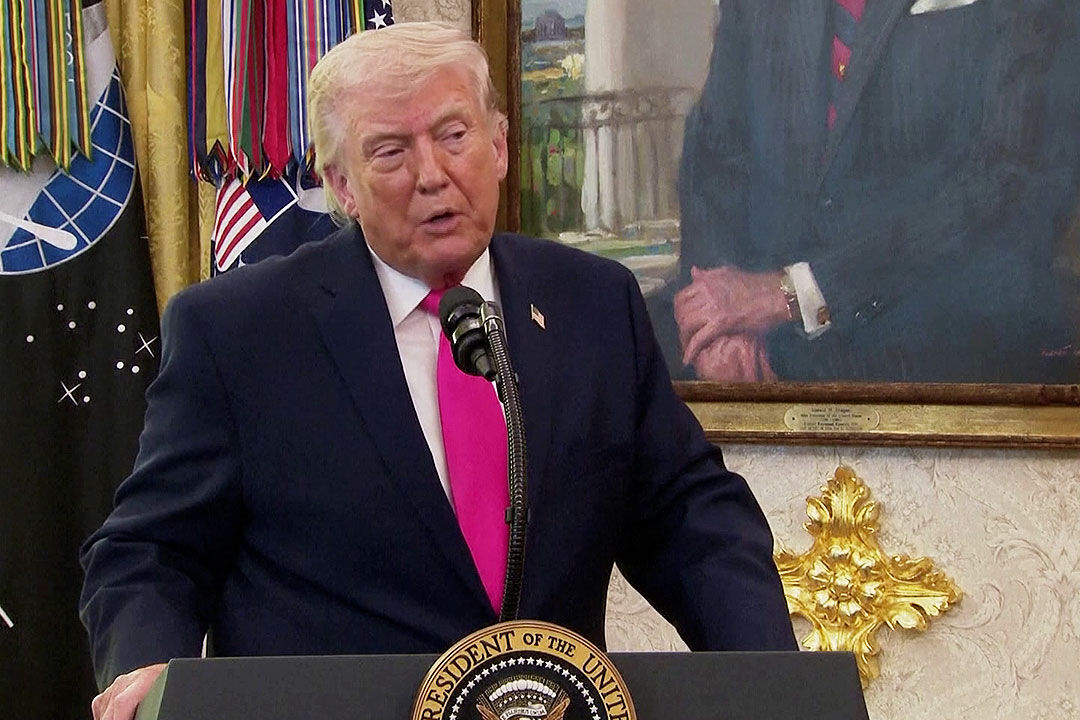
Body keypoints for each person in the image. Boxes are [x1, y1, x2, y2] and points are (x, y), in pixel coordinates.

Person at [80, 21, 796, 720]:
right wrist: (146, 668)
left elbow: (689, 517)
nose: (432, 176)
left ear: (499, 146)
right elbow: (150, 550)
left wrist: (771, 682)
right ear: (342, 185)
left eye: (454, 136)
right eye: (390, 152)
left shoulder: (592, 303)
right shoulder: (240, 331)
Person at [674, 0, 1080, 383]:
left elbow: (1011, 181)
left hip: (949, 341)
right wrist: (714, 323)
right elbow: (714, 154)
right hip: (764, 343)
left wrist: (795, 294)